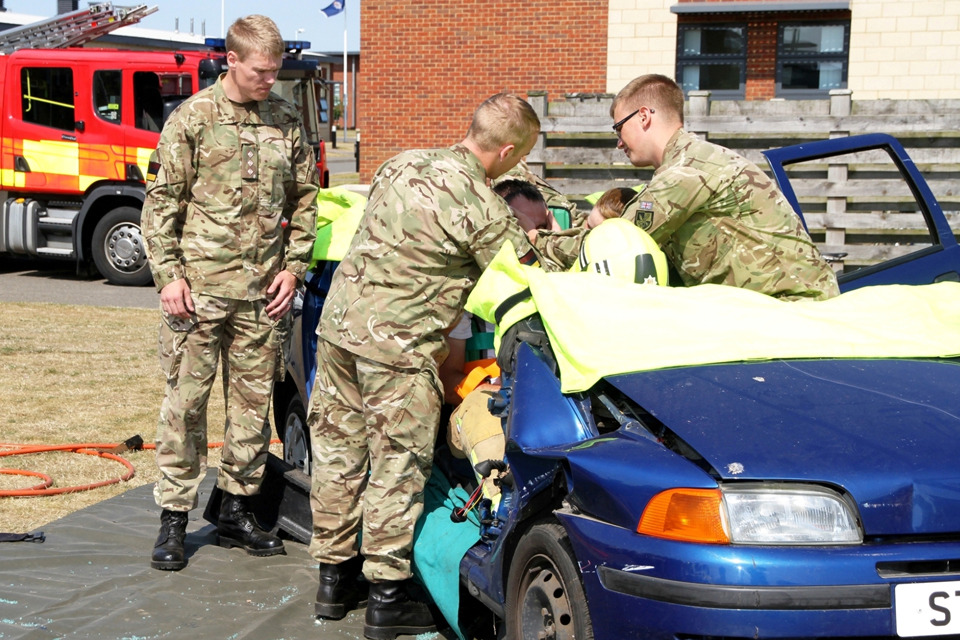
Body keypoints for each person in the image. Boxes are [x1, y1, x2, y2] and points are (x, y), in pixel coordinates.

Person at [307, 93, 542, 639]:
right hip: (399, 349)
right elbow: (524, 271)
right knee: (397, 465)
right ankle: (387, 598)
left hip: (340, 333)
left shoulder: (401, 162)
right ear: (506, 151)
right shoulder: (481, 204)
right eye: (519, 157)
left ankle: (332, 580)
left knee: (339, 454)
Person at [141, 14, 319, 572]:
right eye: (261, 71)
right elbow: (162, 202)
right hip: (198, 291)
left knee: (250, 410)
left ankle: (238, 510)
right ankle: (174, 518)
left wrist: (293, 267)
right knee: (185, 406)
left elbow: (306, 199)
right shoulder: (192, 119)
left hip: (261, 293)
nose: (270, 79)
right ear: (232, 61)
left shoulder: (286, 119)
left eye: (276, 70)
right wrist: (168, 275)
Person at [609, 73, 839, 300]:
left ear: (643, 116)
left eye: (619, 128)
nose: (619, 143)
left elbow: (616, 242)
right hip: (786, 308)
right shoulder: (697, 159)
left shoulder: (687, 171)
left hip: (789, 310)